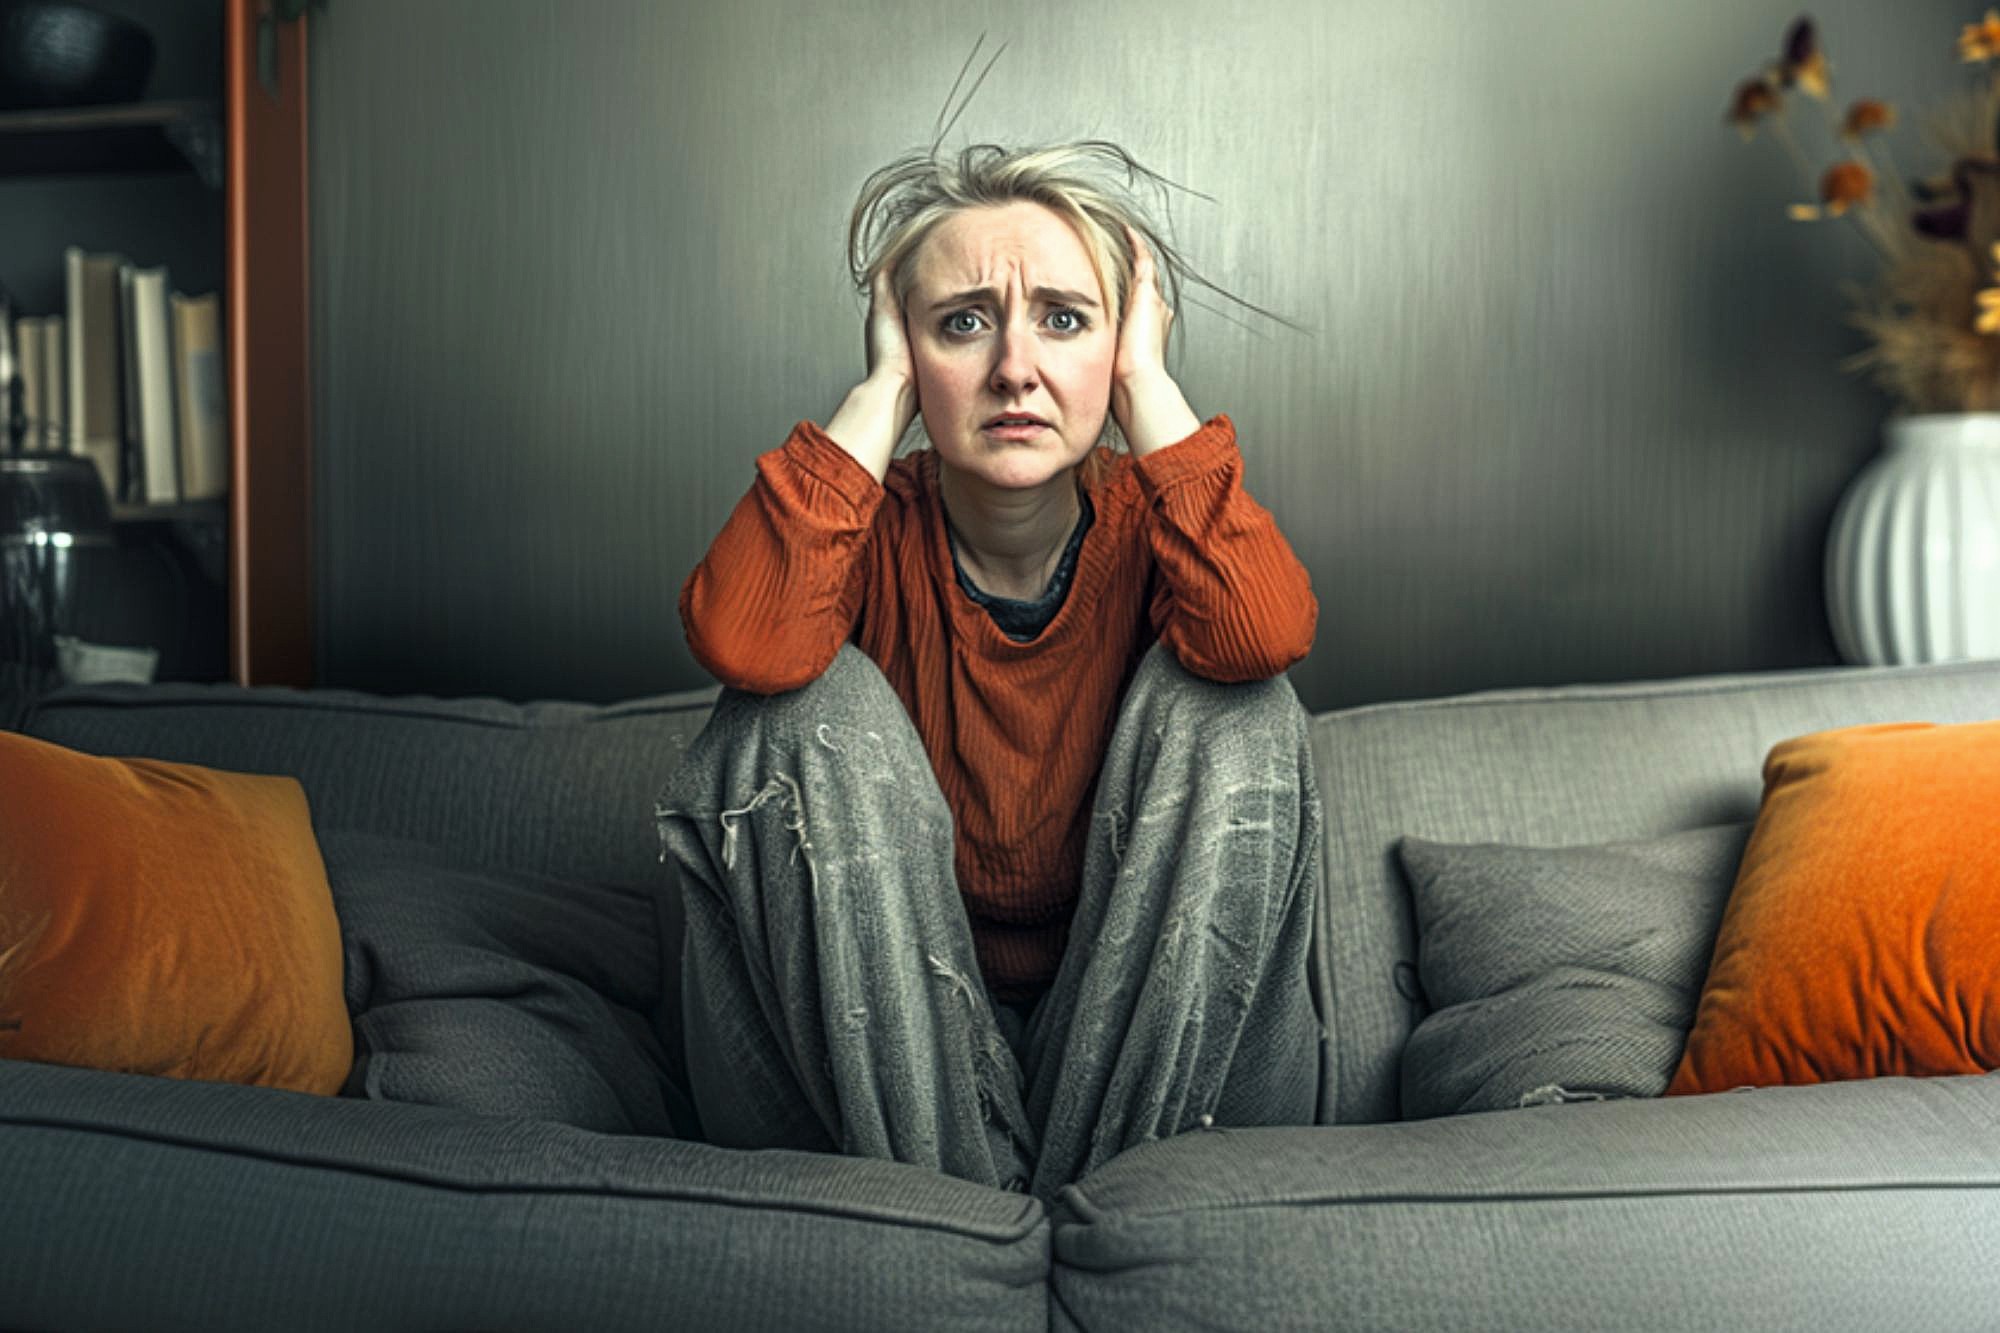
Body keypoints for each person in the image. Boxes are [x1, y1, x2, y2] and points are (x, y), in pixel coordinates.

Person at [655, 140, 1324, 1202]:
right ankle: (965, 1230)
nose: (1015, 368)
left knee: (1238, 707)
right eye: (962, 322)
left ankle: (1090, 1215)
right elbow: (744, 641)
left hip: (1155, 1065)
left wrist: (1148, 382)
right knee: (792, 708)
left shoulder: (1160, 534)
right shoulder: (864, 531)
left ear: (1118, 345)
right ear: (909, 349)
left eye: (1064, 319)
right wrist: (877, 397)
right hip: (862, 1071)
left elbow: (1262, 630)